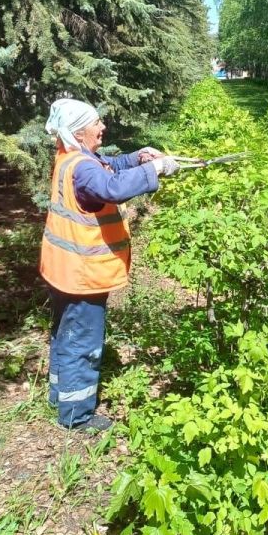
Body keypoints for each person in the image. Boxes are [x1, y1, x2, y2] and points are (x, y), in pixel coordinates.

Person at [39, 98, 179, 432]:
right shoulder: (84, 167)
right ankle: (76, 415)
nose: (103, 127)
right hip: (82, 274)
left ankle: (60, 394)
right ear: (78, 131)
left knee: (65, 332)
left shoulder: (72, 157)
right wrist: (155, 169)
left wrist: (139, 157)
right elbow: (110, 186)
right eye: (97, 122)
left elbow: (108, 167)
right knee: (83, 341)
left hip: (63, 268)